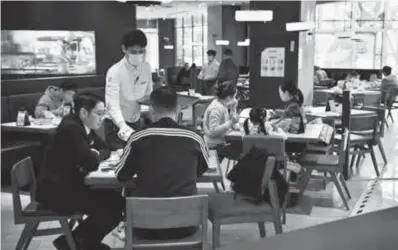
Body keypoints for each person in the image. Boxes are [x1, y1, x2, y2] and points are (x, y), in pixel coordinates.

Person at [114, 86, 209, 240]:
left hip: (144, 226)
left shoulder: (137, 137)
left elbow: (121, 175)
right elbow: (202, 169)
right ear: (178, 109)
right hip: (186, 225)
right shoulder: (195, 138)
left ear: (151, 110)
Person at [35, 93, 124, 250]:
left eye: (104, 113)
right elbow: (90, 162)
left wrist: (94, 153)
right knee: (111, 205)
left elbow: (104, 148)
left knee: (116, 200)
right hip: (57, 192)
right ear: (84, 112)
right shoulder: (71, 128)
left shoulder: (81, 125)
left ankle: (77, 241)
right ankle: (79, 242)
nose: (103, 117)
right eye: (99, 113)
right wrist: (94, 154)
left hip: (69, 184)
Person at [105, 29, 153, 146]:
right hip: (115, 123)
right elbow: (112, 104)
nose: (137, 55)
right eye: (133, 52)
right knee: (117, 157)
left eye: (141, 51)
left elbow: (148, 94)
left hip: (135, 120)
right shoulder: (115, 71)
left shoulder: (146, 68)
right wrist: (122, 125)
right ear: (124, 49)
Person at [203, 81, 239, 161]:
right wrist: (231, 122)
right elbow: (213, 131)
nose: (235, 99)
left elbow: (231, 119)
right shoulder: (216, 108)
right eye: (234, 96)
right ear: (229, 97)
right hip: (213, 145)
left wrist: (233, 108)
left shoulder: (222, 104)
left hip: (219, 142)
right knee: (242, 153)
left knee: (240, 150)